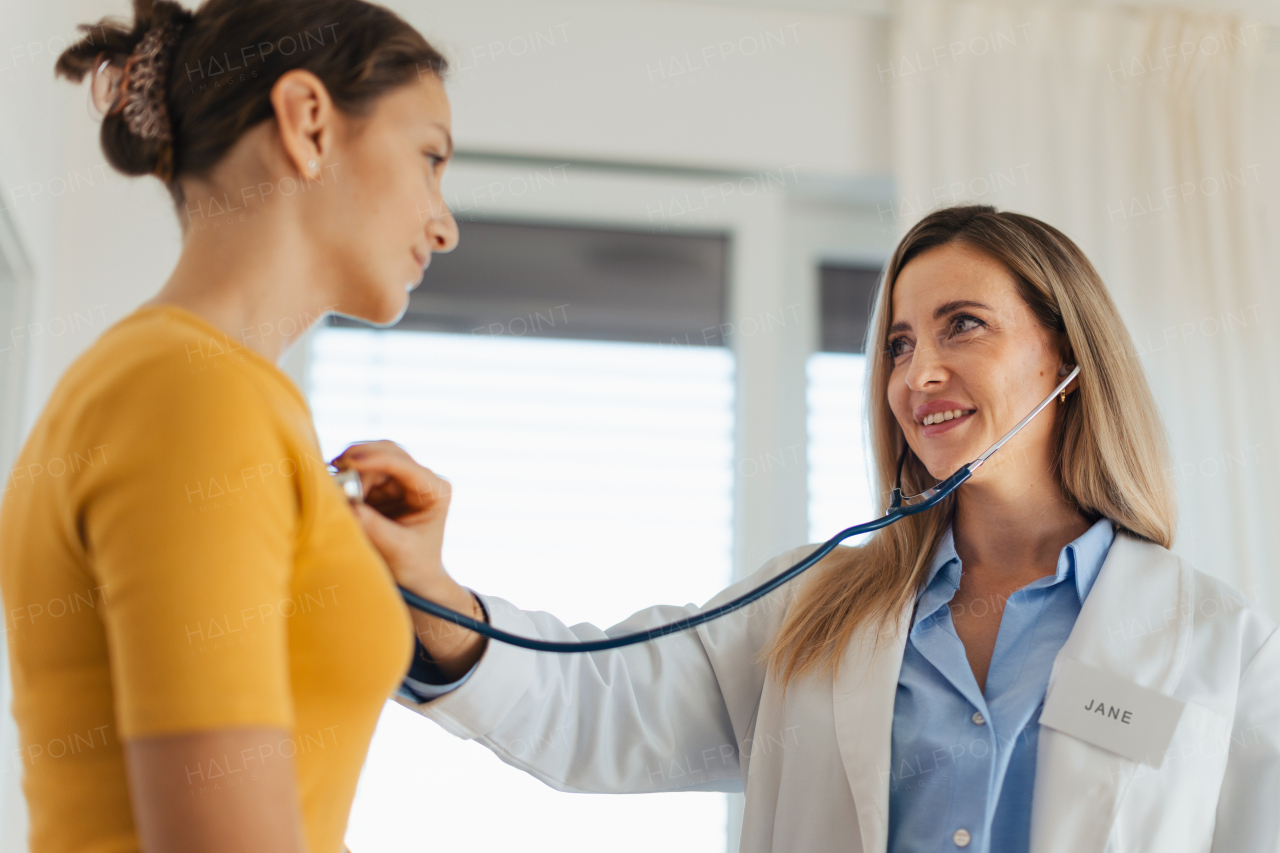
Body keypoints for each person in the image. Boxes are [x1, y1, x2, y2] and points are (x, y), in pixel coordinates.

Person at [336, 206, 1280, 853]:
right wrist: (436, 595)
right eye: (900, 343)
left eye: (963, 327)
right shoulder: (813, 612)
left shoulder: (1217, 644)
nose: (917, 374)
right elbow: (597, 705)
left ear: (1065, 359)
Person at [0, 0, 458, 851]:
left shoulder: (201, 389)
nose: (445, 222)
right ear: (309, 122)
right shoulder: (188, 393)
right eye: (430, 157)